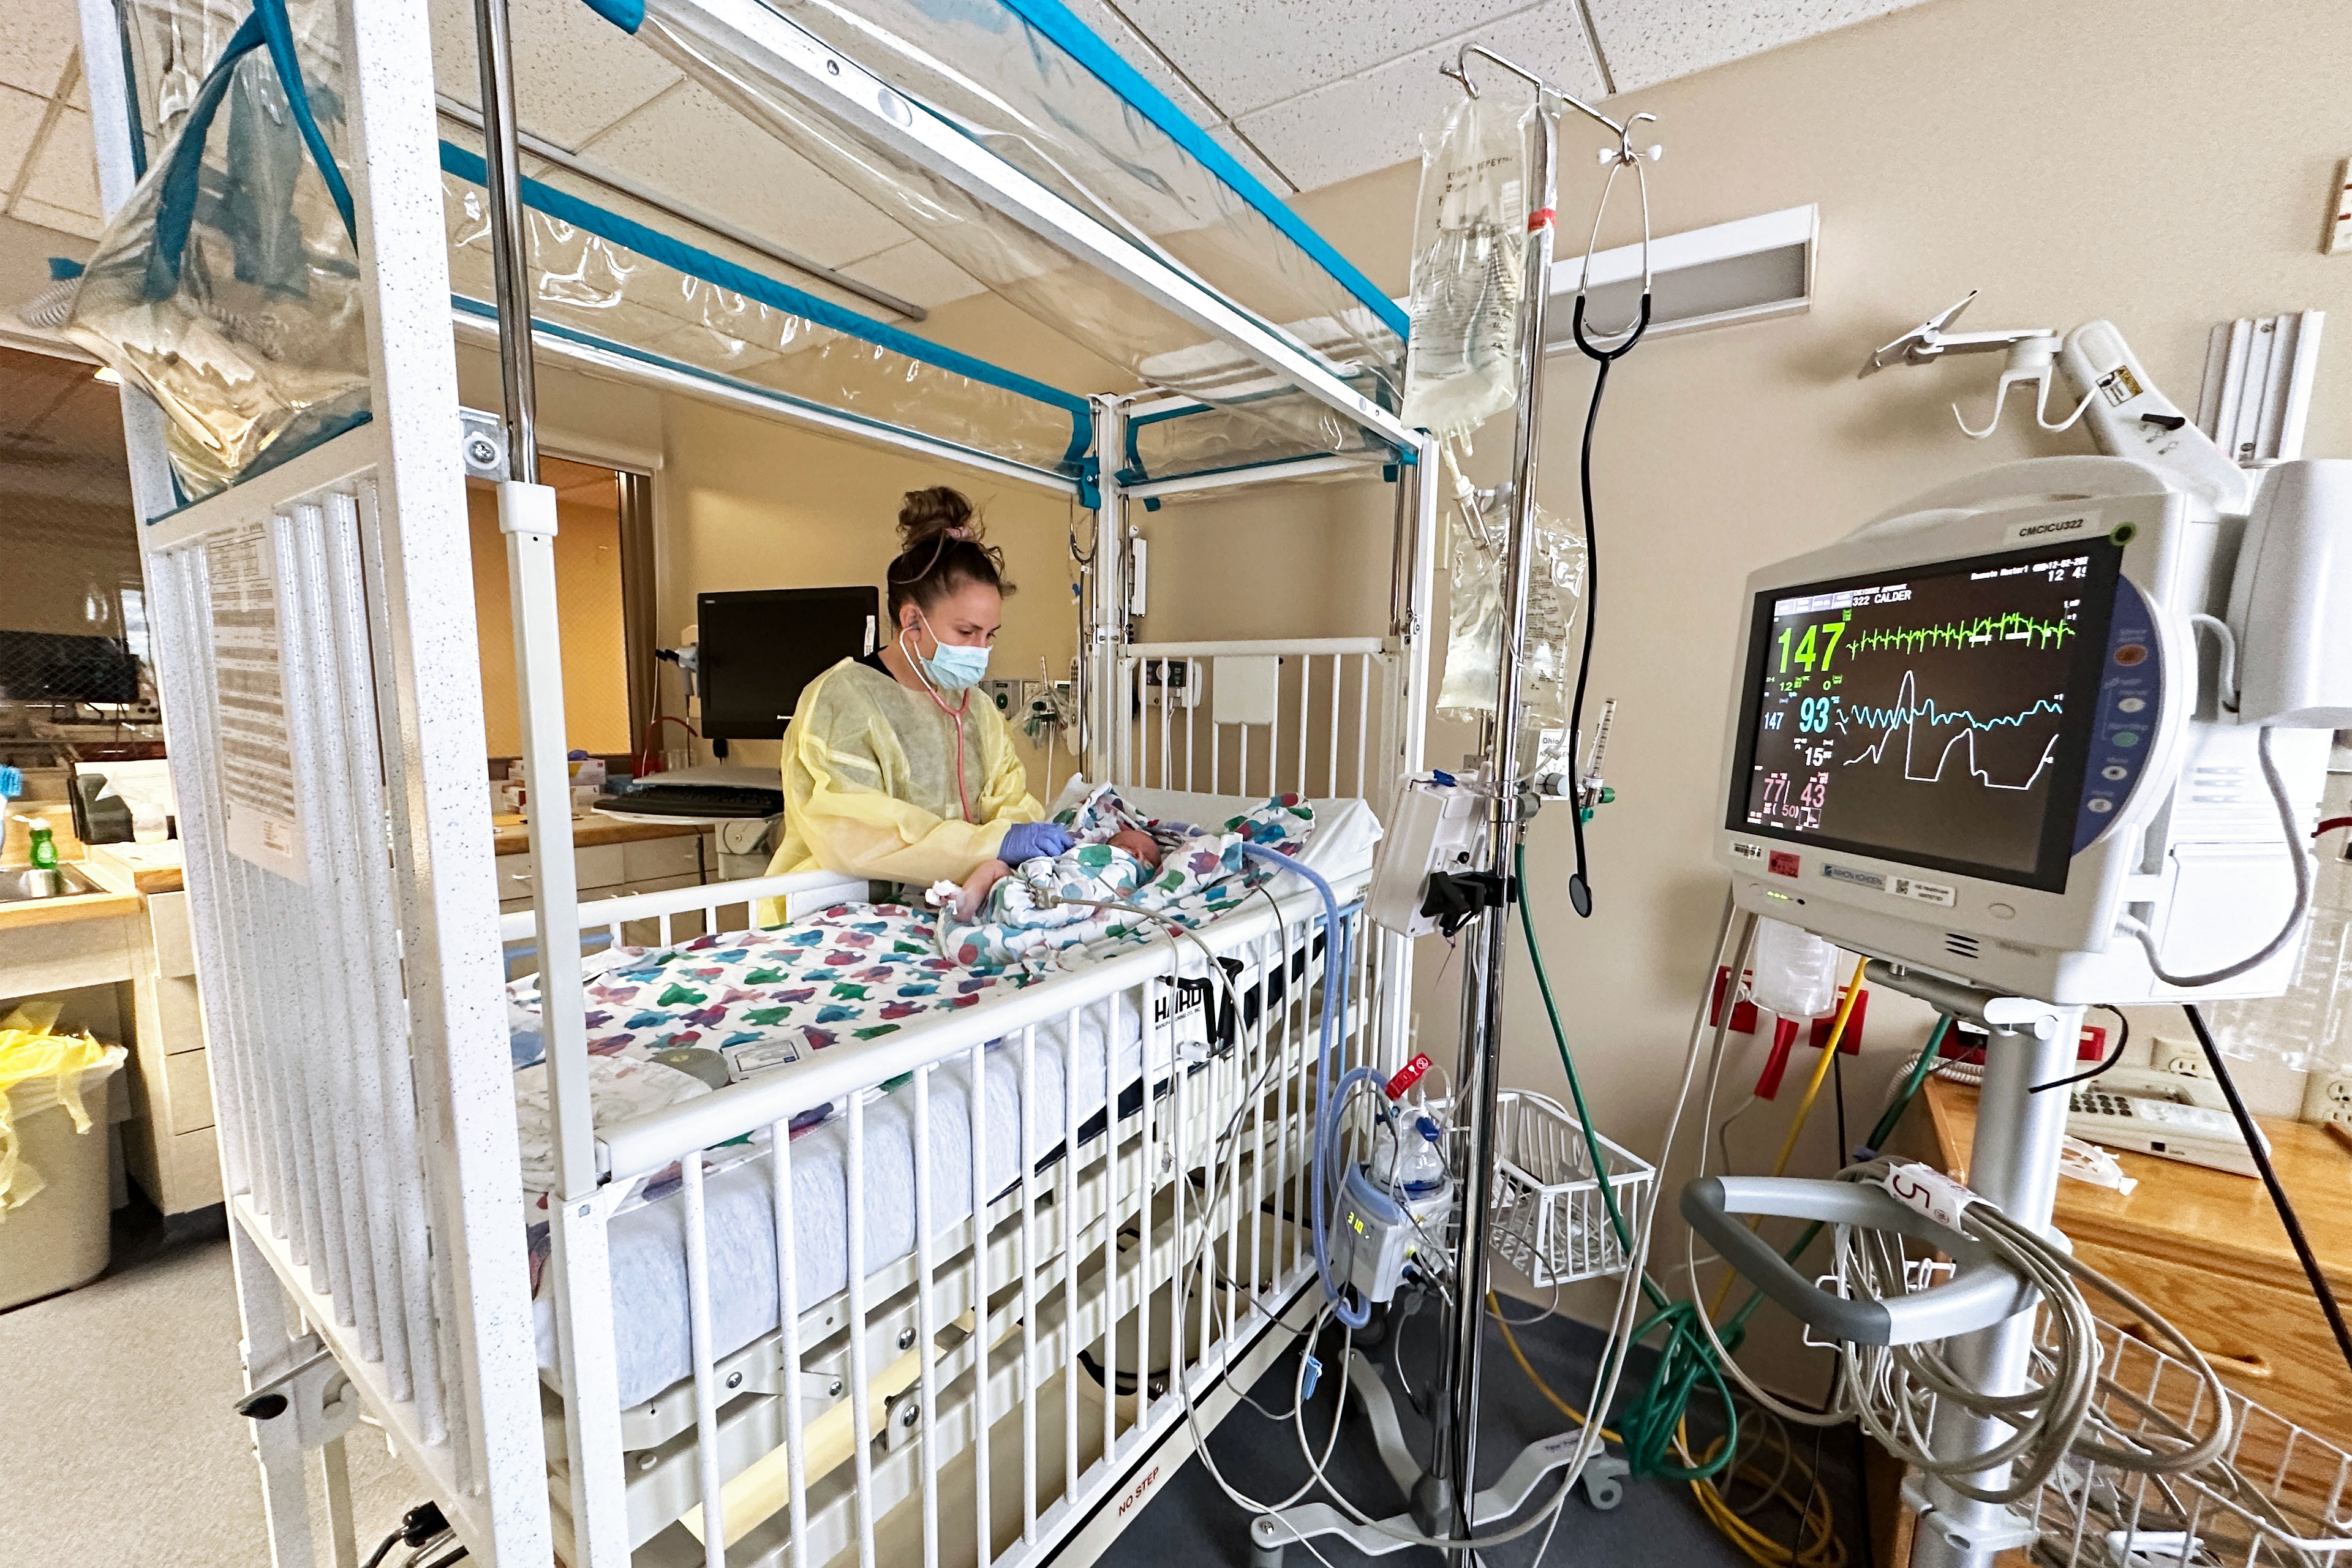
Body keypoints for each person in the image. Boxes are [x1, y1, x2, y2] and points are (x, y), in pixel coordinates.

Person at [761, 486, 1073, 921]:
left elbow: (1010, 801)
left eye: (990, 635)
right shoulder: (842, 702)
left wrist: (1016, 835)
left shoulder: (977, 712)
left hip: (940, 915)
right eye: (967, 633)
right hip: (836, 914)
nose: (981, 650)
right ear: (912, 621)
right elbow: (855, 831)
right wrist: (990, 844)